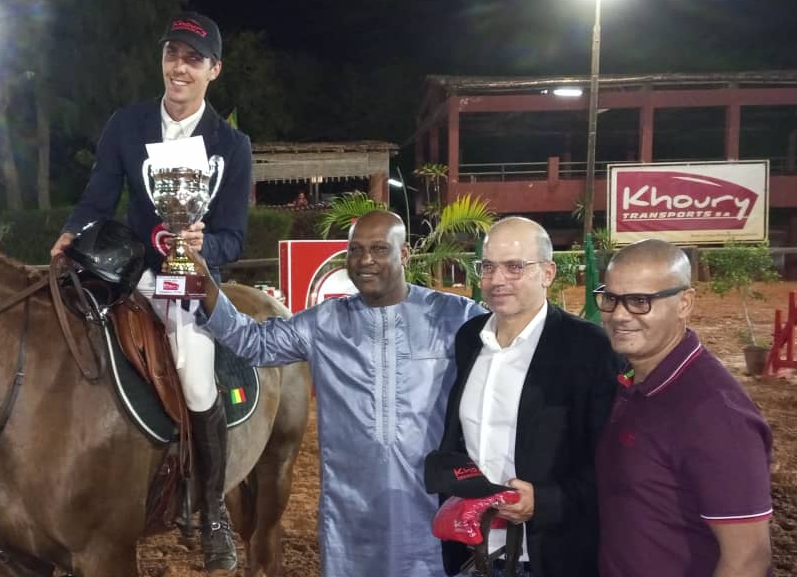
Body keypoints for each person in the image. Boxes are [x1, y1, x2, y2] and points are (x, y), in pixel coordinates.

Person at [49, 11, 251, 572]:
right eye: (172, 55)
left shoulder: (232, 146)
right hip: (131, 269)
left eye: (192, 58)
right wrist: (70, 233)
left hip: (188, 281)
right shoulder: (127, 123)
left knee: (193, 369)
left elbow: (235, 236)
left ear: (214, 69)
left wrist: (203, 245)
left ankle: (210, 512)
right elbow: (99, 196)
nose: (178, 67)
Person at [190, 210, 486, 577]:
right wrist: (203, 279)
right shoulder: (323, 323)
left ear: (404, 253)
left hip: (431, 506)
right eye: (356, 250)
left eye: (379, 249)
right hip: (352, 514)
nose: (365, 261)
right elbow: (253, 343)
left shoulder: (456, 316)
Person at [436, 217, 619, 577]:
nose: (497, 279)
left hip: (548, 553)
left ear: (548, 273)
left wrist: (545, 502)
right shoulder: (470, 338)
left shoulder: (587, 348)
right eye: (487, 267)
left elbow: (610, 461)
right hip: (472, 550)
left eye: (514, 266)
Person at [595, 239, 773, 577]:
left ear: (684, 303)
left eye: (639, 301)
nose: (619, 315)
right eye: (611, 299)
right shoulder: (636, 382)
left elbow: (748, 558)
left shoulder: (714, 413)